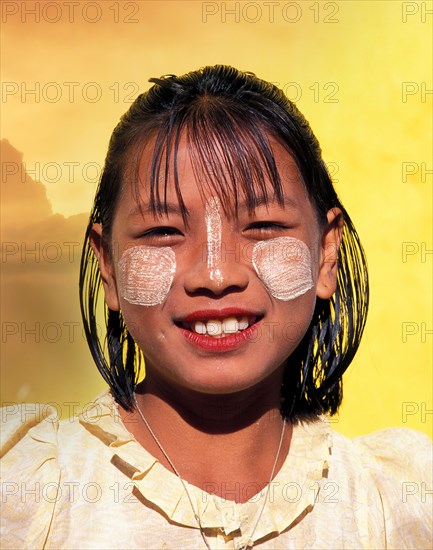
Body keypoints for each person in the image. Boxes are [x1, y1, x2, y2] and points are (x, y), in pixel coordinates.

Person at [0, 65, 431, 550]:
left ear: (325, 254)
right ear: (109, 268)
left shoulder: (398, 506)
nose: (215, 275)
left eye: (263, 225)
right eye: (163, 232)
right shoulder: (26, 492)